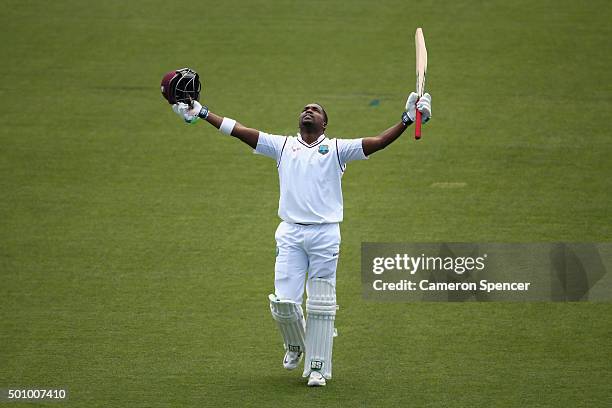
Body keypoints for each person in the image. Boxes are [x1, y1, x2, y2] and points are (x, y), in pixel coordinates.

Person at [162, 68, 432, 387]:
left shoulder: (336, 150)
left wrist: (406, 118)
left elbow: (377, 143)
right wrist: (203, 113)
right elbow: (239, 130)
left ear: (324, 123)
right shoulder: (282, 146)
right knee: (284, 304)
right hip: (290, 233)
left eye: (315, 109)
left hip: (325, 234)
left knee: (320, 304)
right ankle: (296, 344)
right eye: (305, 108)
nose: (308, 110)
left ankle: (317, 367)